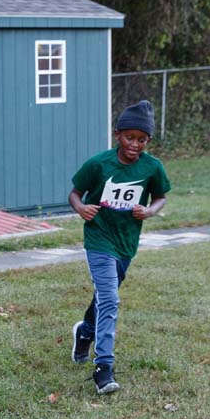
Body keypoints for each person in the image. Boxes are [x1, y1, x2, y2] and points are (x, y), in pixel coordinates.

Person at [69, 100, 169, 395]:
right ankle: (104, 367)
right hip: (99, 238)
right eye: (130, 137)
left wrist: (150, 211)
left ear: (148, 141)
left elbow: (161, 196)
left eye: (142, 139)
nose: (135, 144)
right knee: (110, 299)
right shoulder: (99, 164)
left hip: (127, 243)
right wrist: (81, 208)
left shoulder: (153, 167)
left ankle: (84, 332)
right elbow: (75, 193)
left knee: (105, 296)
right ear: (117, 134)